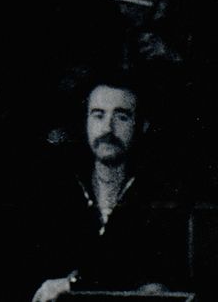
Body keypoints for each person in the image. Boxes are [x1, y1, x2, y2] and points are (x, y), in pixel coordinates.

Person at [27, 78, 184, 301]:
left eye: (121, 117)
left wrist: (75, 285)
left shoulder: (161, 194)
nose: (108, 128)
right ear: (85, 122)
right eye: (98, 115)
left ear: (141, 124)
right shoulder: (59, 191)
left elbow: (157, 279)